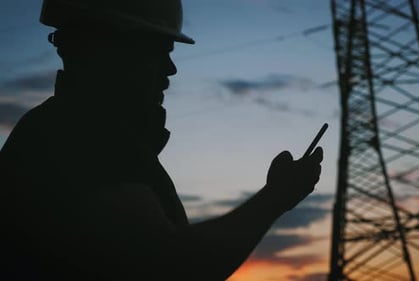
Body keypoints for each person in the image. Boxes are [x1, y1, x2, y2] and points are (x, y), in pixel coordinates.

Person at [0, 0, 323, 280]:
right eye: (160, 51)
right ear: (109, 48)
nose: (170, 70)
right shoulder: (78, 136)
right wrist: (274, 199)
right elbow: (171, 267)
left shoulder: (75, 131)